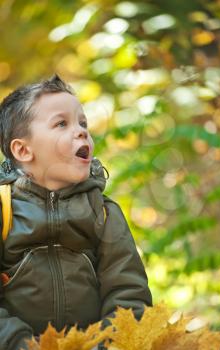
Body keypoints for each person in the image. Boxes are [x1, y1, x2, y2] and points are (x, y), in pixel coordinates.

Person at [0, 75, 152, 350]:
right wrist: (21, 345)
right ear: (23, 149)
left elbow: (128, 293)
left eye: (83, 123)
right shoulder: (4, 210)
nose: (81, 131)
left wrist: (106, 345)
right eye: (62, 123)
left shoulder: (103, 213)